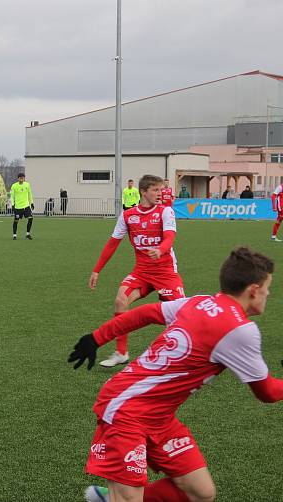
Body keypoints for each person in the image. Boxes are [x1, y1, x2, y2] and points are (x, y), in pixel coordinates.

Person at [70, 247, 283, 502]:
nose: (269, 293)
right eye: (267, 287)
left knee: (201, 493)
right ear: (254, 289)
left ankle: (110, 498)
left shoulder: (201, 301)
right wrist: (97, 337)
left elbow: (146, 312)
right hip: (126, 408)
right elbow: (268, 392)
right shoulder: (240, 330)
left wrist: (97, 337)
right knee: (128, 498)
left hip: (159, 417)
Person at [89, 174, 185, 368]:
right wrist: (96, 270)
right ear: (143, 191)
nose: (160, 194)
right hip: (141, 272)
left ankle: (187, 356)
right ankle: (121, 352)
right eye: (155, 190)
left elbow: (170, 237)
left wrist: (161, 249)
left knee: (179, 317)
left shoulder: (165, 212)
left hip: (165, 272)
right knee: (120, 300)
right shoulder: (127, 215)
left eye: (161, 190)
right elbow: (112, 243)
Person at [10, 173, 34, 240]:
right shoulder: (14, 186)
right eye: (20, 178)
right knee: (16, 221)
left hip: (26, 206)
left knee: (31, 218)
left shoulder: (27, 185)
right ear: (18, 178)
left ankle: (27, 234)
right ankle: (14, 235)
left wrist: (31, 203)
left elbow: (30, 194)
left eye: (22, 178)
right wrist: (12, 205)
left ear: (24, 178)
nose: (21, 179)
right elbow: (12, 196)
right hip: (18, 207)